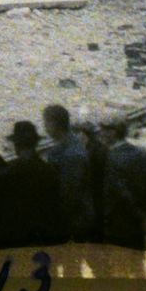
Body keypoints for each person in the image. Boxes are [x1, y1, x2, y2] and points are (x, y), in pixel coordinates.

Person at [98, 120, 146, 250]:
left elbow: (122, 194)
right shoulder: (141, 153)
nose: (100, 134)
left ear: (113, 133)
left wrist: (141, 217)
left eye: (104, 130)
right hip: (138, 225)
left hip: (118, 224)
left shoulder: (111, 158)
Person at [2, 120, 66, 245]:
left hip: (17, 239)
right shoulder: (50, 171)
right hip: (44, 238)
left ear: (16, 146)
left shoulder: (8, 172)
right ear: (36, 143)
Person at [42, 103, 95, 241]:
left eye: (46, 123)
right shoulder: (69, 146)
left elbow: (70, 193)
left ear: (53, 124)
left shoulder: (71, 152)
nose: (45, 127)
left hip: (73, 222)